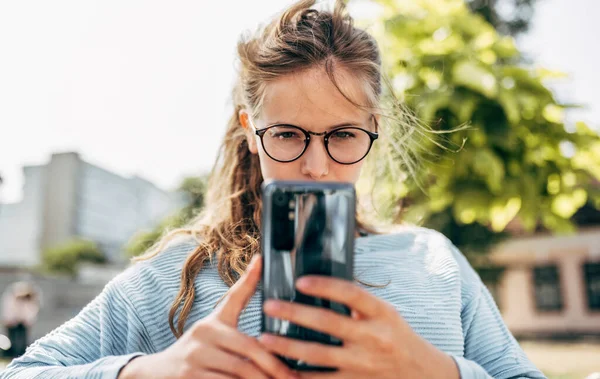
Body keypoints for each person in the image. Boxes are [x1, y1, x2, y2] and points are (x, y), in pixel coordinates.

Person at [2, 1, 547, 378]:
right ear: (250, 130)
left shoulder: (435, 261)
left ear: (374, 130)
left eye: (342, 135)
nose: (314, 166)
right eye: (286, 134)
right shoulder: (179, 273)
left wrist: (441, 372)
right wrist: (150, 371)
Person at [0, 281, 40, 358]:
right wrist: (11, 319)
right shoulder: (11, 298)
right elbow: (9, 310)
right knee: (12, 338)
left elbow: (31, 311)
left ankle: (21, 353)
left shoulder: (30, 300)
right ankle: (11, 353)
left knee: (23, 338)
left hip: (23, 322)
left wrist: (26, 320)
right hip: (11, 321)